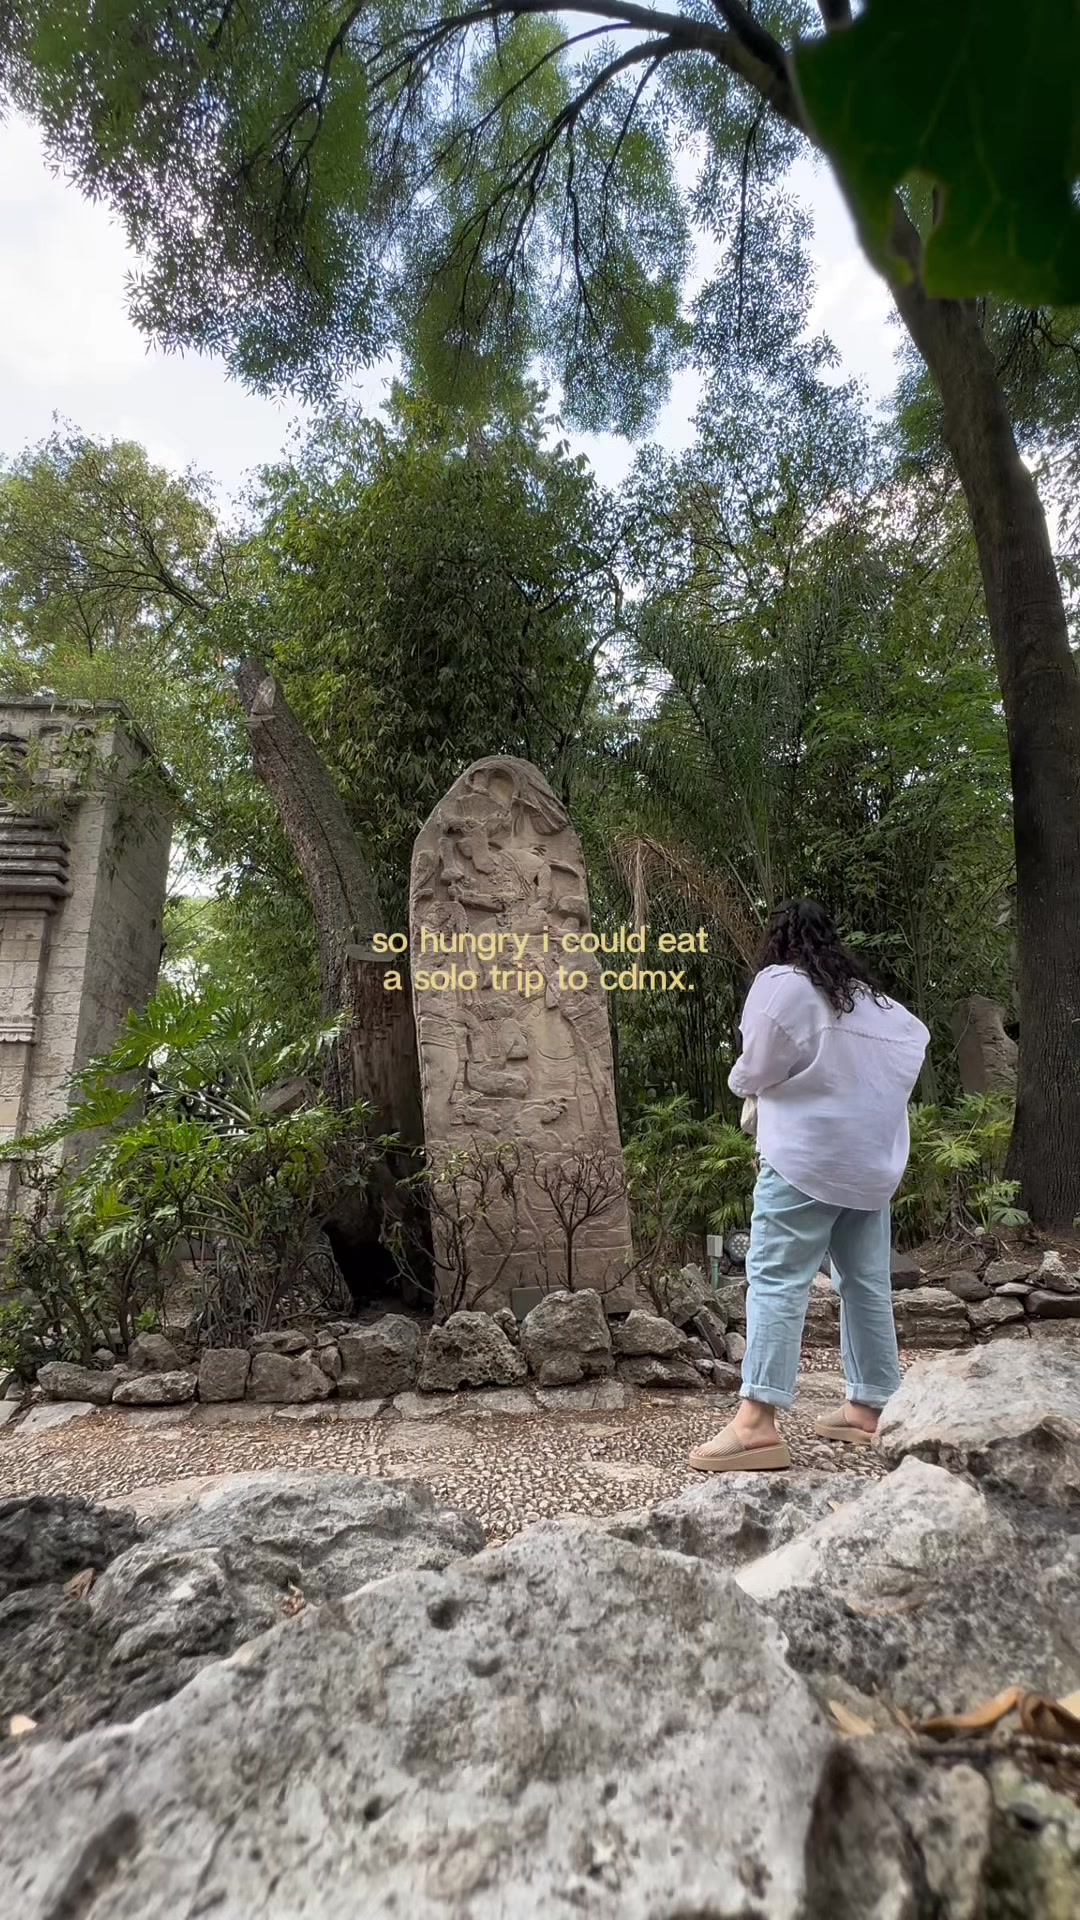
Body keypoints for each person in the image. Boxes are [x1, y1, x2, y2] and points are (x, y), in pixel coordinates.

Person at [689, 900, 929, 1473]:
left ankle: (755, 1426)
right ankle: (871, 1406)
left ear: (779, 941)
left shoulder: (784, 983)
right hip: (870, 1167)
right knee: (865, 1283)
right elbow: (915, 1043)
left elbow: (756, 1065)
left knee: (776, 1278)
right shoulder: (876, 1004)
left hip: (806, 1159)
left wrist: (744, 1079)